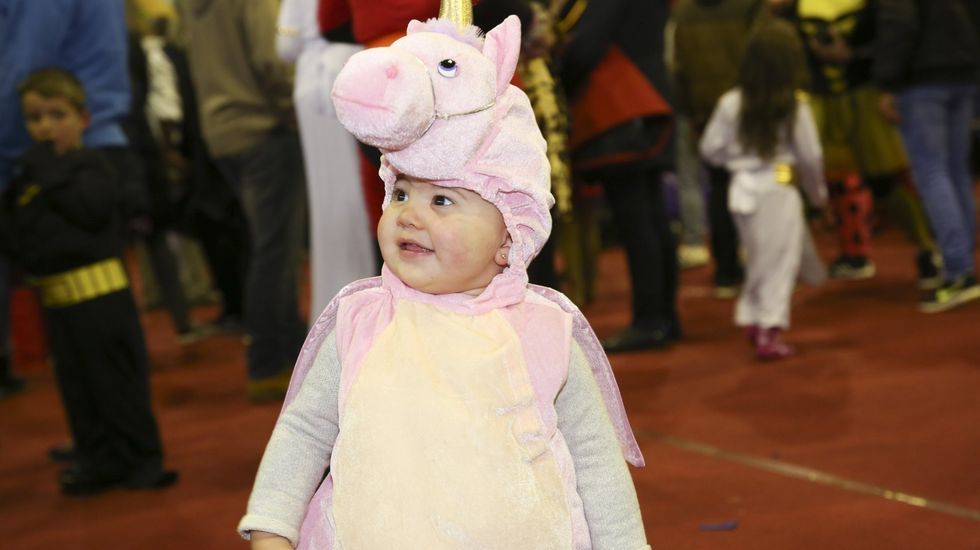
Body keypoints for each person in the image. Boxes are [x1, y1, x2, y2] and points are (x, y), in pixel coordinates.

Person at [238, 8, 649, 549]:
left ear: (509, 233)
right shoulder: (362, 319)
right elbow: (305, 429)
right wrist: (272, 525)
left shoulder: (543, 329)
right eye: (402, 193)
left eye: (443, 200)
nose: (410, 214)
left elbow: (596, 459)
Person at [0, 68, 177, 495]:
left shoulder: (92, 166)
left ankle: (141, 457)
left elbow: (91, 211)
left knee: (116, 382)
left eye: (55, 115)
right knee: (78, 387)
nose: (44, 127)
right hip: (57, 301)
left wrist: (47, 175)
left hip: (102, 298)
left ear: (82, 119)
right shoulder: (28, 177)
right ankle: (99, 457)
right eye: (34, 118)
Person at [178, 0, 309, 402]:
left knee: (269, 248)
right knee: (276, 251)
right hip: (263, 127)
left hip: (223, 131)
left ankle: (291, 355)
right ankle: (270, 362)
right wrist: (294, 110)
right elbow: (270, 60)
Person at [700, 19, 827, 359]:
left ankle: (756, 319)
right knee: (778, 262)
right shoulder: (795, 105)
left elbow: (710, 149)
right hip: (779, 188)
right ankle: (769, 328)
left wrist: (738, 161)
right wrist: (818, 196)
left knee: (758, 259)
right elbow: (811, 156)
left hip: (741, 191)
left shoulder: (731, 102)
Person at [559, 0, 681, 352]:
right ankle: (664, 316)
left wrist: (557, 74)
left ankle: (650, 320)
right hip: (648, 97)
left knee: (637, 219)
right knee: (652, 216)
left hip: (624, 105)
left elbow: (586, 47)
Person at [873, 0, 980, 312]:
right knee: (956, 170)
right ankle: (962, 262)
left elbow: (899, 23)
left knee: (932, 172)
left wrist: (887, 82)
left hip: (923, 79)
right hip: (963, 73)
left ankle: (959, 270)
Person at [277, 0, 377, 323]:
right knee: (361, 196)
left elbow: (285, 45)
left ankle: (345, 309)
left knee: (335, 202)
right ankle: (363, 305)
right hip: (357, 68)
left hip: (322, 80)